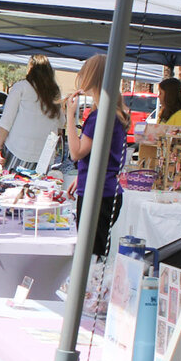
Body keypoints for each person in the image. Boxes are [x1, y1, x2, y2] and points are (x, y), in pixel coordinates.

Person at [64, 53, 128, 260]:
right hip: (105, 192)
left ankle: (89, 293)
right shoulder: (111, 113)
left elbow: (76, 152)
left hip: (98, 195)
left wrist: (69, 117)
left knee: (90, 257)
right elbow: (101, 155)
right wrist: (81, 176)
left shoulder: (100, 115)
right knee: (96, 255)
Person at [0, 54, 65, 171]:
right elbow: (60, 125)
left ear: (30, 68)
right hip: (43, 156)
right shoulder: (54, 92)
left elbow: (6, 121)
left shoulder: (21, 87)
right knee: (38, 188)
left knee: (10, 186)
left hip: (18, 150)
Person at [155, 77, 181, 144]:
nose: (158, 96)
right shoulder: (164, 112)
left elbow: (180, 141)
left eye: (161, 93)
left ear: (169, 95)